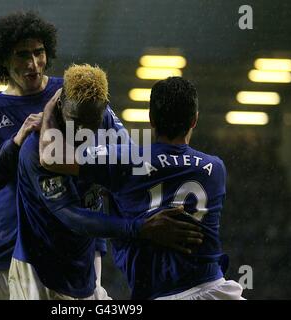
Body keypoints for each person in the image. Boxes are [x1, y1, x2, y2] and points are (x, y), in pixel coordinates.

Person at [9, 65, 204, 300]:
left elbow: (134, 169)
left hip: (84, 265)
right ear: (60, 106)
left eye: (92, 121)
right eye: (75, 120)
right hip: (40, 272)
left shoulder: (104, 118)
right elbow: (71, 216)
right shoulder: (34, 149)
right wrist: (139, 228)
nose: (83, 130)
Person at [40, 76, 245, 300]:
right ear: (194, 120)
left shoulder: (128, 161)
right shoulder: (216, 168)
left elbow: (51, 157)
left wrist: (49, 110)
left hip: (161, 293)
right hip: (216, 289)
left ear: (151, 120)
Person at [0, 11, 65, 300]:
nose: (34, 64)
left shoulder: (68, 93)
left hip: (61, 255)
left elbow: (108, 153)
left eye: (39, 52)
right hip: (4, 256)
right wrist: (18, 139)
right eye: (22, 55)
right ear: (3, 61)